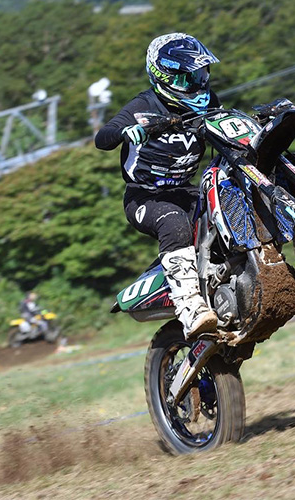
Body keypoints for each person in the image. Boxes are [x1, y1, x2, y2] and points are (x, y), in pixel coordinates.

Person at [95, 32, 220, 341]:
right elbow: (102, 138)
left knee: (226, 202)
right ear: (167, 76)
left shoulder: (209, 102)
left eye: (201, 75)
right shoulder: (143, 105)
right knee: (174, 222)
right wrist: (125, 131)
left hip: (185, 190)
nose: (199, 83)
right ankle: (190, 308)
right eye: (190, 77)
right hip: (145, 198)